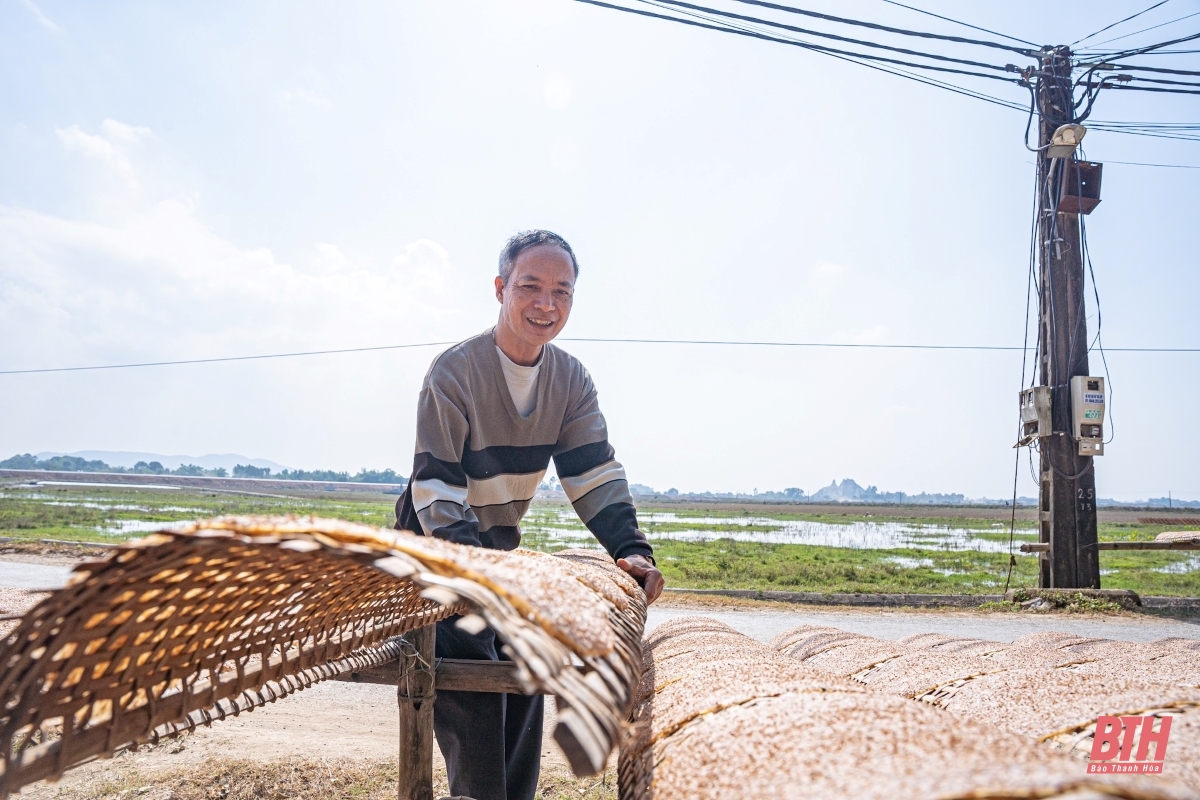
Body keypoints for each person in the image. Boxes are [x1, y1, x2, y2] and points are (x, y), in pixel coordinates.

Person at [394, 229, 664, 800]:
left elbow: (593, 473)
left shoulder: (570, 381)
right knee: (471, 656)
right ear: (500, 289)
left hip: (498, 553)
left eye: (561, 291)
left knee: (527, 656)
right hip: (438, 551)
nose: (546, 304)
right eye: (530, 286)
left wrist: (631, 549)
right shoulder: (454, 373)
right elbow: (438, 486)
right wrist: (478, 573)